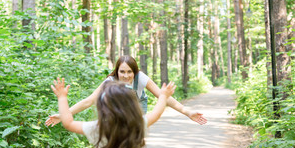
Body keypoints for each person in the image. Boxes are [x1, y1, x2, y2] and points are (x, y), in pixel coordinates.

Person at [45, 55, 207, 127]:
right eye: (122, 72)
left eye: (130, 72)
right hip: (117, 108)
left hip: (138, 105)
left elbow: (163, 97)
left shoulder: (141, 78)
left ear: (135, 72)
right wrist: (64, 113)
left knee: (137, 133)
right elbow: (89, 101)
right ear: (117, 72)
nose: (126, 76)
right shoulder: (110, 81)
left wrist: (187, 112)